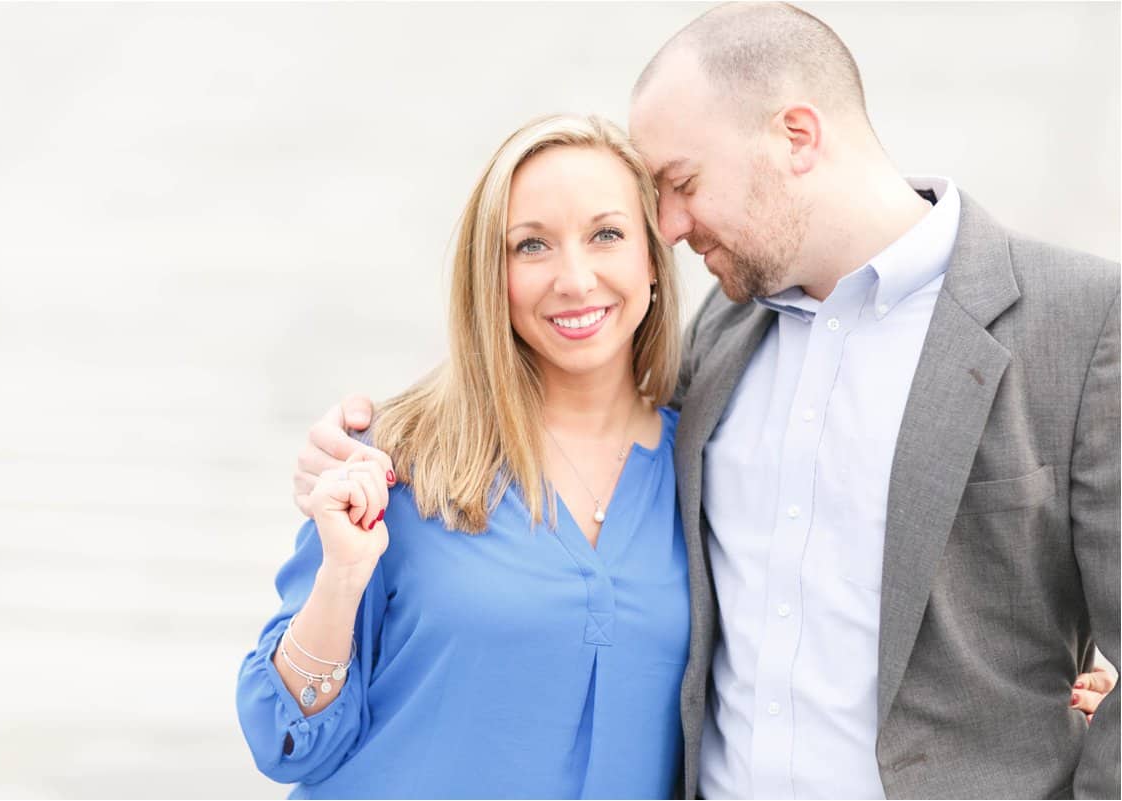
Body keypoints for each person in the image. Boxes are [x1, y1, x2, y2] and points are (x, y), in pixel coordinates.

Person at [291, 3, 1120, 798]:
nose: (670, 227)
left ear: (796, 136)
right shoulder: (720, 341)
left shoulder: (1079, 321)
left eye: (682, 183)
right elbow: (565, 412)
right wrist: (378, 438)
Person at [237, 114, 691, 798]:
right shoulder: (399, 458)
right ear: (490, 275)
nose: (575, 278)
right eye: (532, 245)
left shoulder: (710, 465)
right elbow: (285, 741)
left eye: (606, 234)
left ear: (653, 258)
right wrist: (340, 577)